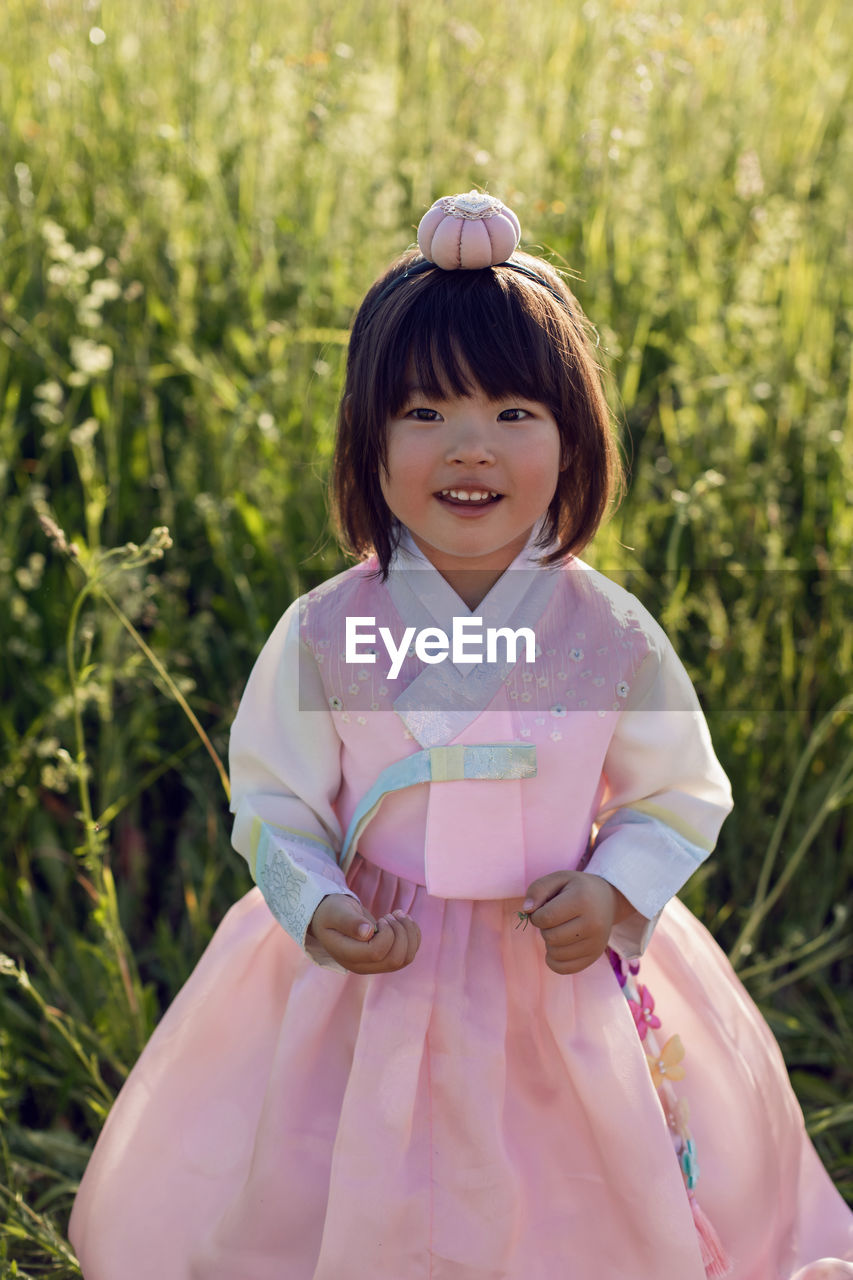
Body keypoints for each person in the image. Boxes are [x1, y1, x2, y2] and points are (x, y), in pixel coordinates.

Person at [68, 192, 853, 1280]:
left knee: (567, 1191)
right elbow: (275, 802)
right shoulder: (329, 631)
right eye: (425, 413)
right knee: (349, 1175)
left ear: (572, 437)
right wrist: (318, 900)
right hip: (374, 967)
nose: (468, 447)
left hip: (551, 960)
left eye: (513, 413)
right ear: (368, 437)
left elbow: (675, 791)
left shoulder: (604, 633)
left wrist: (616, 888)